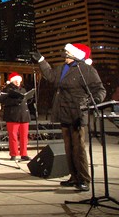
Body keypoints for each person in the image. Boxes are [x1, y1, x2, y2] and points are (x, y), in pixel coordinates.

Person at [31, 43, 106, 192]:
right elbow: (51, 77)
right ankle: (74, 177)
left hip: (77, 112)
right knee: (68, 147)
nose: (64, 54)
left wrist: (93, 101)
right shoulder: (62, 68)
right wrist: (41, 61)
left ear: (74, 54)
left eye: (66, 51)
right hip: (64, 111)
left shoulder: (86, 69)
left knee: (78, 148)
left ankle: (84, 178)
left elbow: (100, 90)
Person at [1, 72, 31, 161]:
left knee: (24, 136)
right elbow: (4, 102)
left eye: (18, 81)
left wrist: (30, 98)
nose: (17, 82)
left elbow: (26, 101)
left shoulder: (23, 89)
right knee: (13, 135)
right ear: (12, 81)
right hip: (12, 115)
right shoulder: (7, 90)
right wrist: (16, 101)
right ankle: (13, 153)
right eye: (15, 81)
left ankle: (24, 153)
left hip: (24, 115)